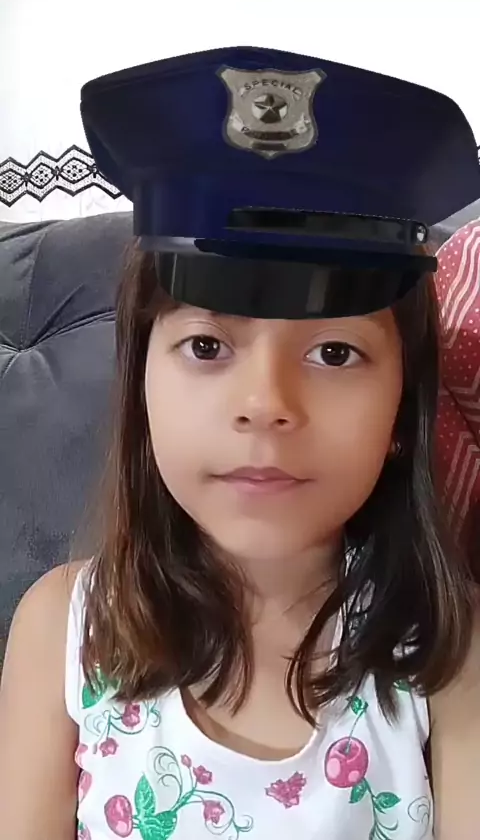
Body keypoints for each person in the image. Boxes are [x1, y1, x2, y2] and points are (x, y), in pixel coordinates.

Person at [1, 46, 479, 840]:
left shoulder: (448, 649)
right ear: (141, 386)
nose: (265, 405)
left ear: (402, 413)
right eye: (207, 346)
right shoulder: (63, 631)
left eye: (334, 353)